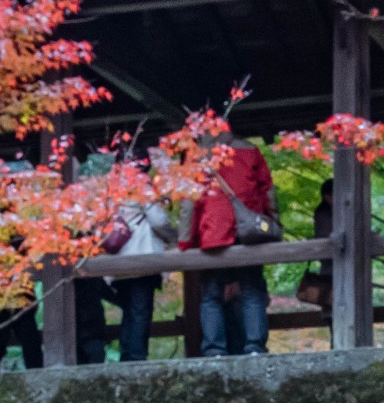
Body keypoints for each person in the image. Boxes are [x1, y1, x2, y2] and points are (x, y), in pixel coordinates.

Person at [181, 134, 276, 356]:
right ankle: (255, 347)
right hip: (248, 230)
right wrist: (271, 222)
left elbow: (188, 203)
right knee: (252, 291)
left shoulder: (196, 157)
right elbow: (267, 191)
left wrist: (186, 240)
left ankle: (214, 350)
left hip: (213, 230)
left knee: (212, 294)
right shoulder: (249, 150)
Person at [105, 200, 173, 363]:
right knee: (141, 312)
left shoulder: (114, 194)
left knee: (129, 312)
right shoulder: (143, 193)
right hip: (142, 259)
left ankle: (127, 356)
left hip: (120, 262)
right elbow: (159, 221)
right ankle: (137, 357)